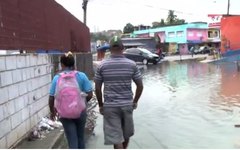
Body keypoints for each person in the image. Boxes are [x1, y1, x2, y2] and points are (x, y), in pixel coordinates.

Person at [94, 36, 143, 149]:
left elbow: (97, 88)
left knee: (116, 138)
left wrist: (101, 105)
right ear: (123, 48)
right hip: (127, 105)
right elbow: (140, 86)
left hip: (110, 106)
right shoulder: (132, 64)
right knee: (126, 135)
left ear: (109, 49)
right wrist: (135, 101)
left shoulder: (102, 65)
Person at [48, 51, 93, 149]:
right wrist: (82, 103)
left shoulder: (57, 78)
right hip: (80, 111)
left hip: (64, 113)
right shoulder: (81, 76)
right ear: (74, 63)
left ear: (62, 64)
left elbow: (51, 97)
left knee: (72, 139)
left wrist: (52, 112)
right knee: (80, 137)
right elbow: (90, 94)